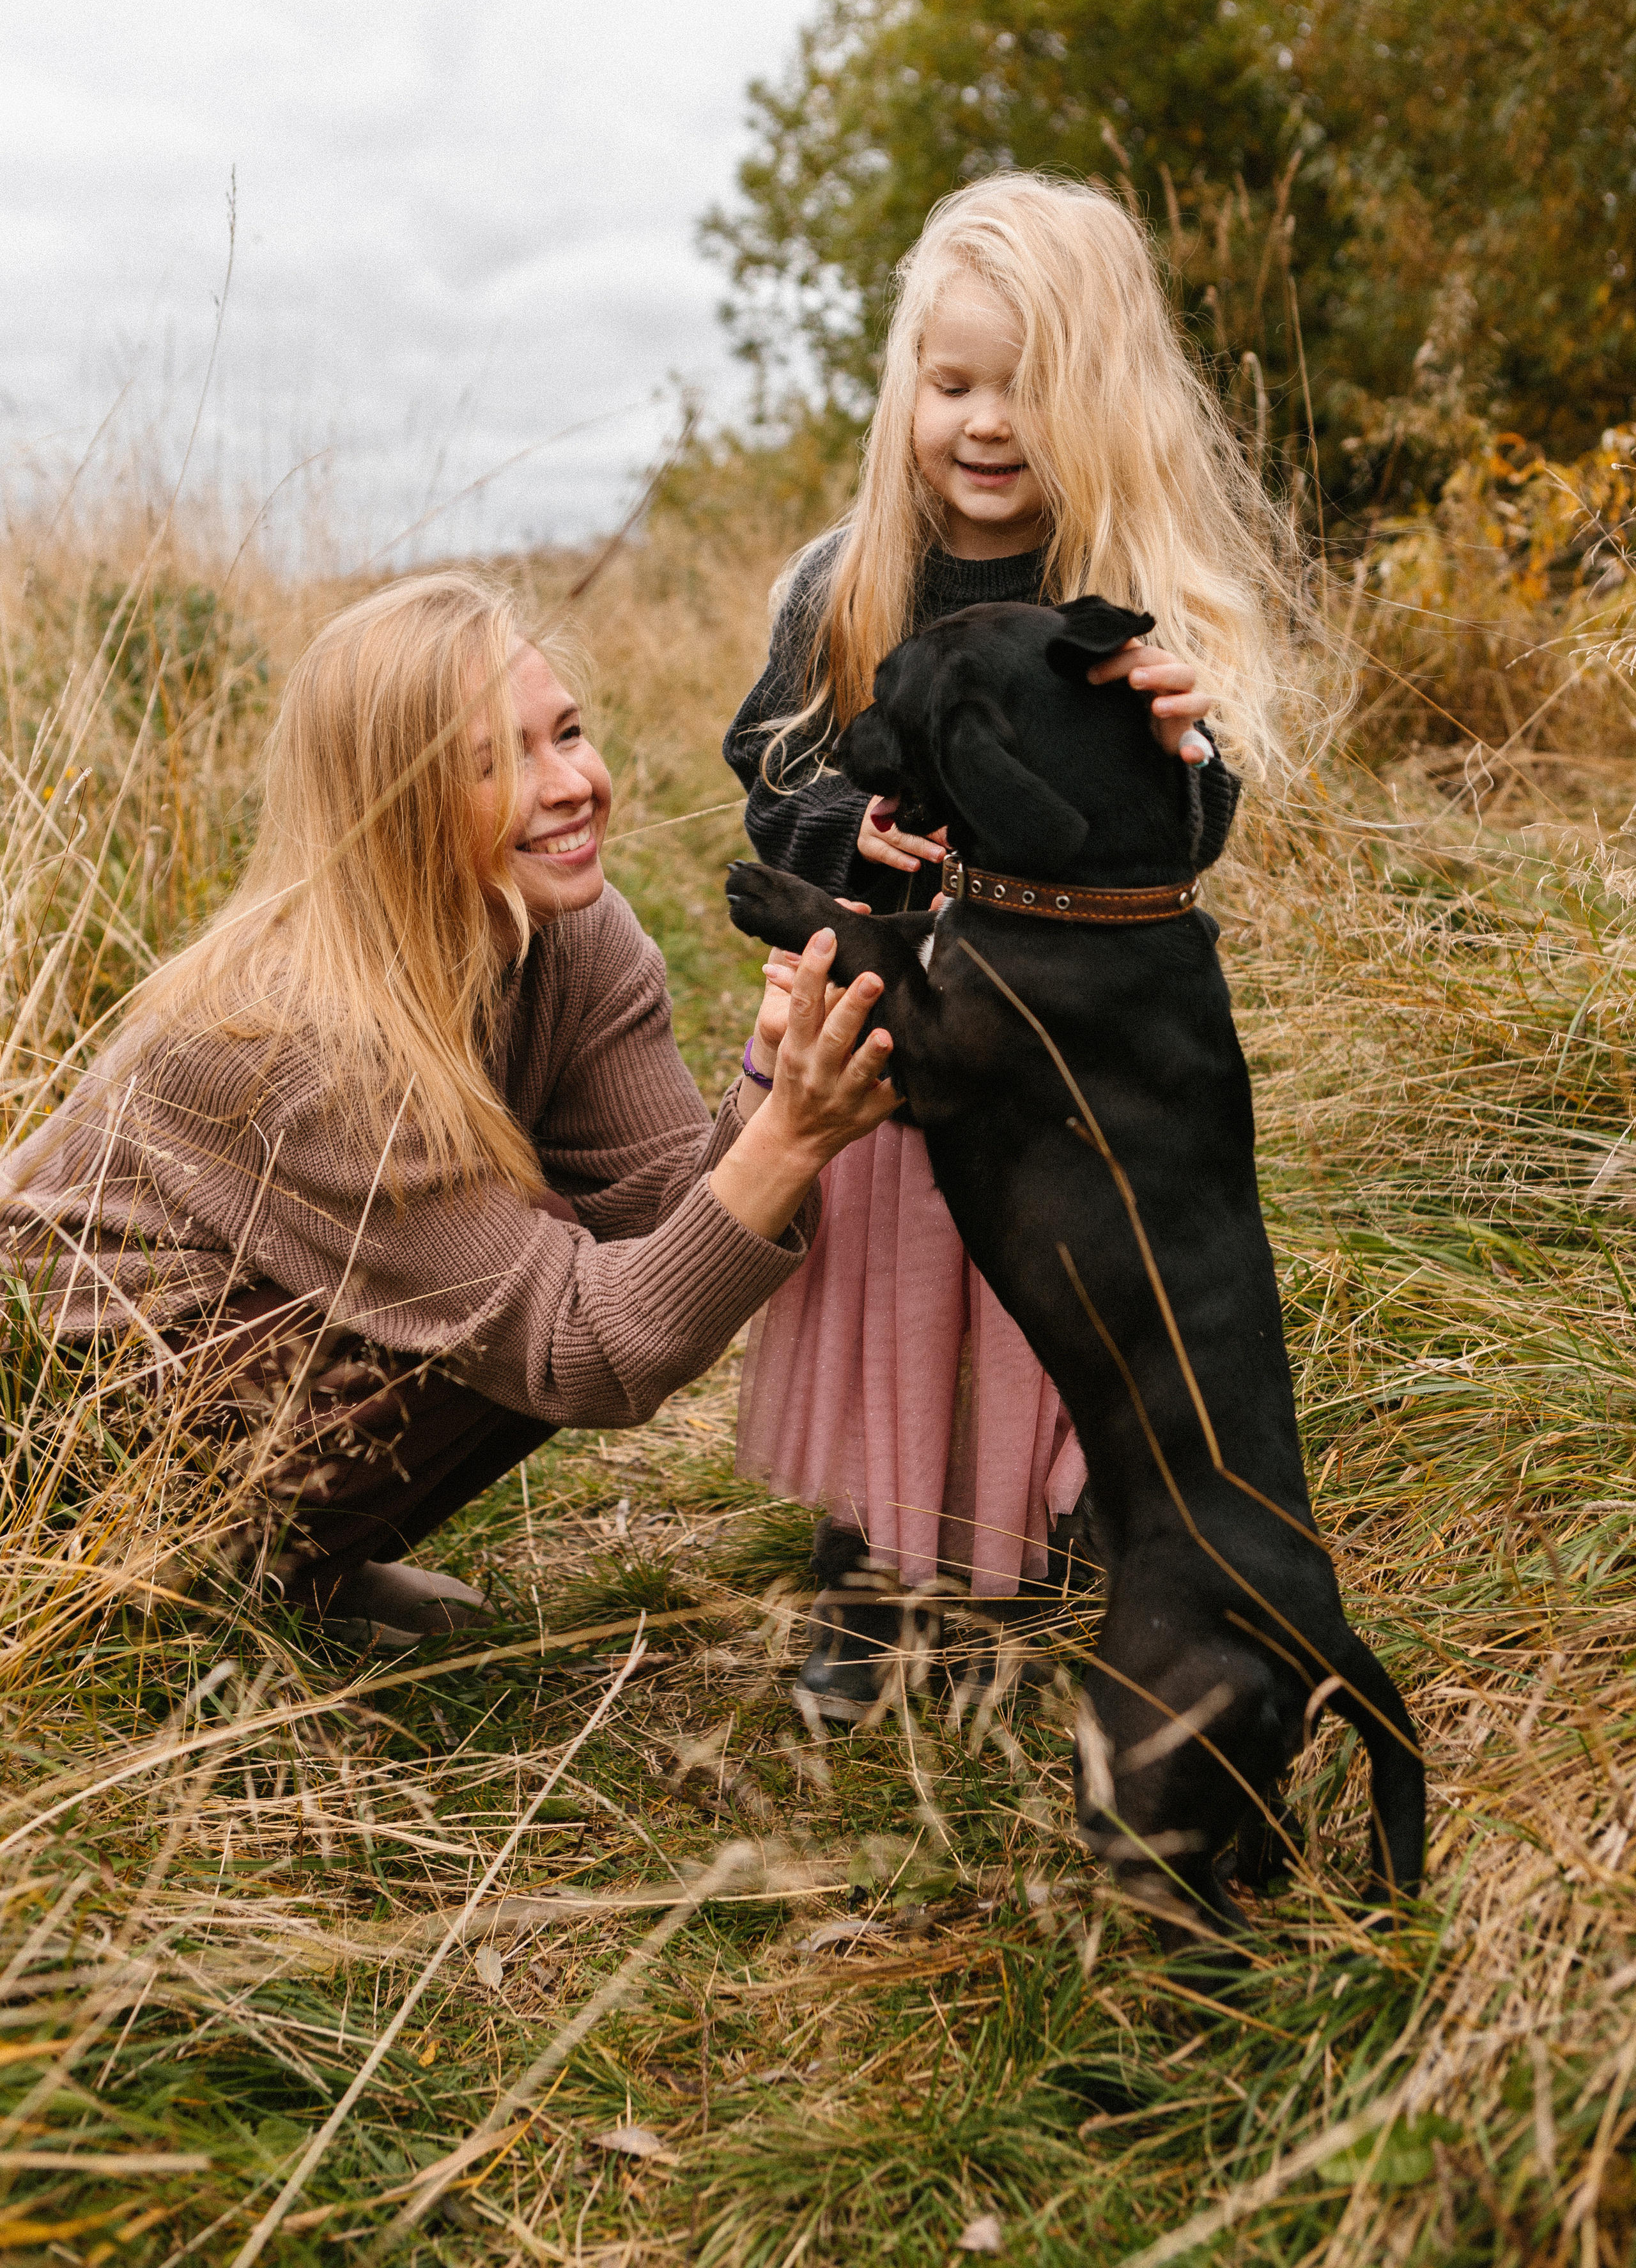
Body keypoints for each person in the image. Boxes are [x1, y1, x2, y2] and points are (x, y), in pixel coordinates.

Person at [2, 573, 899, 1646]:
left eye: (568, 732)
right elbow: (589, 1350)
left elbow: (664, 1222)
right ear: (389, 806)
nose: (570, 783)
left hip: (240, 1386)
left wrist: (767, 1076)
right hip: (56, 1453)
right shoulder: (295, 1036)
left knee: (559, 1264)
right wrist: (792, 1137)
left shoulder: (577, 933)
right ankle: (177, 1607)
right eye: (497, 762)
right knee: (532, 1297)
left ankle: (298, 1578)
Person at [723, 171, 1302, 1704]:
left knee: (1059, 1284)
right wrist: (839, 838)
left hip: (1062, 1039)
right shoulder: (840, 581)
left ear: (1103, 401)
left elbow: (1191, 836)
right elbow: (767, 777)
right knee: (888, 1287)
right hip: (867, 1029)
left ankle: (1060, 1531)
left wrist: (1183, 757)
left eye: (1029, 389)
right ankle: (880, 1557)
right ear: (905, 385)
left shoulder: (1136, 609)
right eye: (951, 381)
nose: (984, 423)